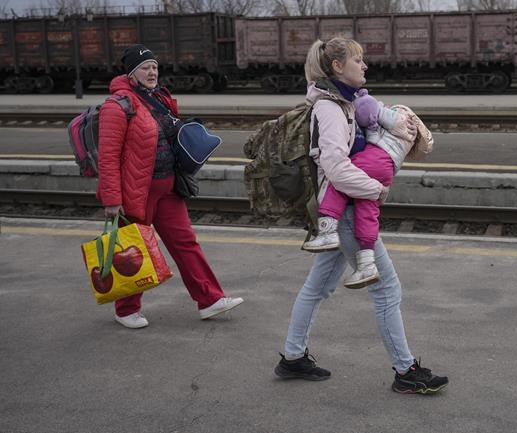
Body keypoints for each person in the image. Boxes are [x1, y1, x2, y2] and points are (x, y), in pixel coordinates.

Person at [274, 38, 448, 395]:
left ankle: (292, 357)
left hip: (341, 208)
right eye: (358, 59)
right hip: (349, 209)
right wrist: (374, 189)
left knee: (318, 286)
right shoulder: (331, 109)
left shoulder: (345, 101)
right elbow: (336, 167)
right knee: (387, 289)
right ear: (338, 67)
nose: (364, 65)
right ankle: (406, 372)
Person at [97, 44, 243, 329]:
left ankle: (210, 299)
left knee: (185, 243)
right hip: (136, 191)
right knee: (133, 251)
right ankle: (126, 310)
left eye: (154, 67)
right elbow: (108, 157)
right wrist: (111, 199)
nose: (152, 72)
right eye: (145, 67)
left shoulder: (158, 98)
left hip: (168, 187)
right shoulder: (118, 106)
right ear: (131, 73)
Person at [302, 88, 433, 289]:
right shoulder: (405, 141)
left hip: (374, 158)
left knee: (339, 183)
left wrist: (366, 101)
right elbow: (374, 130)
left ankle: (327, 230)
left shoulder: (400, 116)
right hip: (387, 169)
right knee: (368, 211)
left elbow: (370, 112)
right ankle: (367, 263)